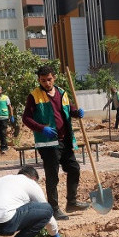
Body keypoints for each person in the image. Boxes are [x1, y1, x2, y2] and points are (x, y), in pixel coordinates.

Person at [22, 66, 90, 220]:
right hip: (48, 143)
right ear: (39, 80)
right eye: (43, 80)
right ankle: (53, 208)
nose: (47, 83)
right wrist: (41, 128)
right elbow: (26, 118)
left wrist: (76, 113)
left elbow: (67, 109)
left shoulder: (62, 92)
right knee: (53, 176)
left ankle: (71, 202)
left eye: (49, 79)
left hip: (65, 140)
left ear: (54, 78)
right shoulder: (34, 96)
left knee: (74, 168)